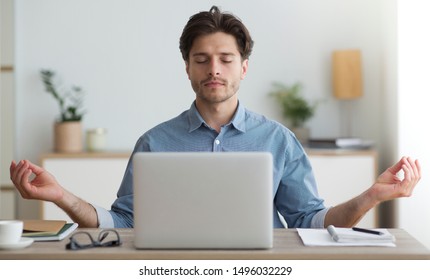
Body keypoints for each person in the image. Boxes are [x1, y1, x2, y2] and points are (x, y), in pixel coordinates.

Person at [10, 6, 421, 229]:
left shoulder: (278, 140)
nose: (214, 70)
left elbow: (311, 222)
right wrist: (61, 196)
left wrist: (371, 196)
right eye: (201, 60)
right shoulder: (154, 143)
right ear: (187, 68)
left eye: (226, 59)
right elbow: (122, 223)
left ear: (245, 66)